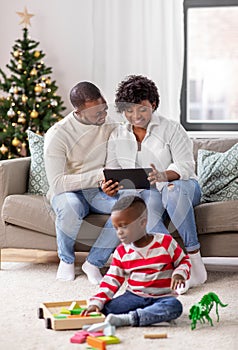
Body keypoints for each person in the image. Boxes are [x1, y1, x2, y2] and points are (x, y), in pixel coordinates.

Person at [100, 75, 207, 294]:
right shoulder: (118, 134)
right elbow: (113, 169)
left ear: (154, 105)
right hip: (147, 193)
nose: (135, 116)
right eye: (129, 111)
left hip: (181, 187)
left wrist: (164, 175)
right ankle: (173, 267)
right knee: (144, 209)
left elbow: (186, 165)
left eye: (142, 109)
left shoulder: (172, 129)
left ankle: (195, 262)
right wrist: (109, 185)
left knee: (173, 191)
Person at [44, 81, 120, 283]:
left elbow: (111, 168)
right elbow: (58, 184)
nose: (103, 115)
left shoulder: (110, 126)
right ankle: (66, 260)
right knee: (71, 206)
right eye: (96, 113)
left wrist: (109, 183)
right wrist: (99, 176)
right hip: (68, 192)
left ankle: (94, 262)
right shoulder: (57, 134)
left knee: (129, 208)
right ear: (78, 111)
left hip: (98, 191)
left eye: (104, 108)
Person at [81, 195, 191, 327]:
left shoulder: (166, 242)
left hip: (162, 298)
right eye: (116, 228)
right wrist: (97, 302)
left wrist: (179, 274)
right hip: (133, 296)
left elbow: (184, 261)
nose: (119, 233)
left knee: (174, 307)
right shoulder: (122, 252)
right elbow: (111, 279)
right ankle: (150, 316)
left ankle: (129, 319)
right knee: (105, 309)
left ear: (142, 223)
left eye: (123, 226)